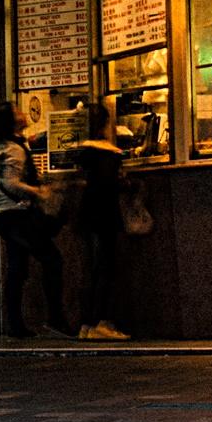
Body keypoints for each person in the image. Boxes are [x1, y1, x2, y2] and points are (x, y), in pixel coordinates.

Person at [0, 104, 69, 338]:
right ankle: (55, 319)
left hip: (6, 216)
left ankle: (16, 325)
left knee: (18, 268)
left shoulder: (3, 146)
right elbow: (10, 183)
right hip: (16, 216)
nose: (22, 113)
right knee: (52, 260)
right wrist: (38, 192)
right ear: (10, 121)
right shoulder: (13, 148)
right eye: (16, 111)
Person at [70, 102, 130, 341]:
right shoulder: (108, 153)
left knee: (92, 269)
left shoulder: (82, 151)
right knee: (106, 267)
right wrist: (125, 183)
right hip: (105, 213)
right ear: (105, 124)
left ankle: (86, 323)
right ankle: (101, 322)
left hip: (87, 213)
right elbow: (108, 184)